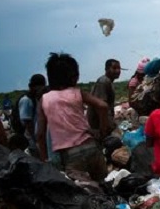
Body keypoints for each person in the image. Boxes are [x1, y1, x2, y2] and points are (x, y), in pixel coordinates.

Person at [36, 53, 109, 181]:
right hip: (91, 147)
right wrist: (102, 131)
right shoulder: (77, 93)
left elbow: (40, 134)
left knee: (84, 193)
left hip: (70, 156)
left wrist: (44, 160)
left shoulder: (44, 100)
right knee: (105, 186)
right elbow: (102, 106)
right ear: (73, 76)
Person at [88, 59, 121, 135]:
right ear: (106, 69)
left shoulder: (108, 82)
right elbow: (101, 107)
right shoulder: (103, 82)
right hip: (99, 126)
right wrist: (105, 128)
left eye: (119, 68)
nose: (117, 71)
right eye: (114, 68)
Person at [17, 74, 47, 157]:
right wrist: (36, 140)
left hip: (37, 139)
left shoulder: (36, 99)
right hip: (31, 140)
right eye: (39, 88)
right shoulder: (26, 100)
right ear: (33, 87)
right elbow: (27, 123)